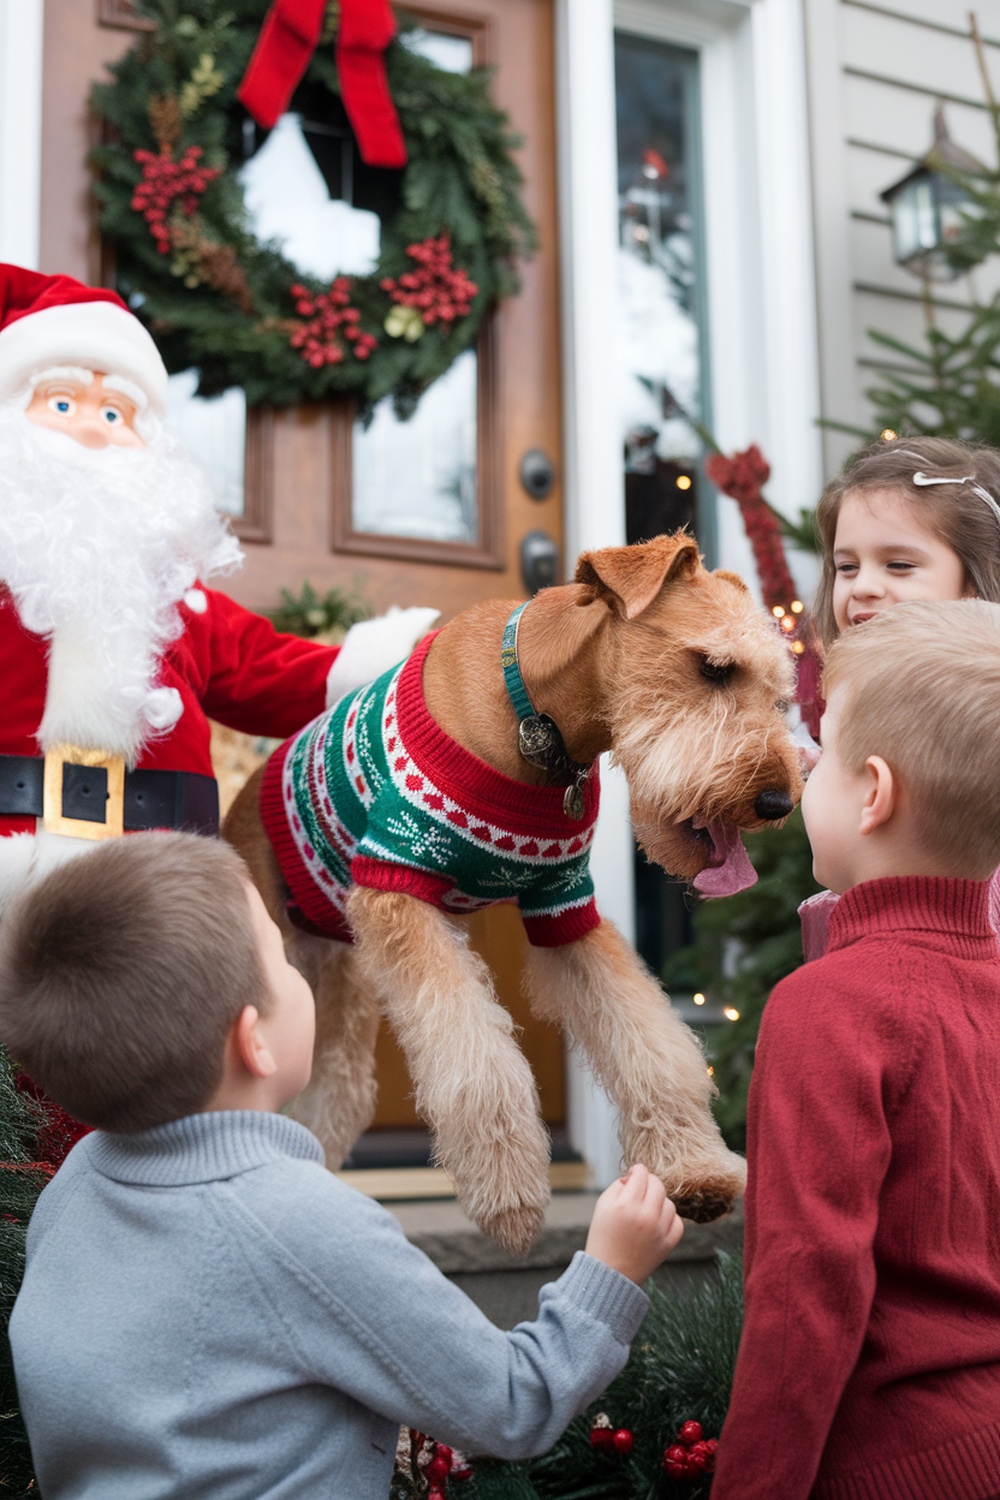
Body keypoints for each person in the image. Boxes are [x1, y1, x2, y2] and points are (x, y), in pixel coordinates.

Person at [1, 831, 684, 1500]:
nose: (306, 973)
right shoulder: (298, 1224)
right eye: (283, 959)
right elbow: (510, 1403)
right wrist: (609, 1270)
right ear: (253, 1042)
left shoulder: (77, 1185)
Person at [0, 262, 434, 907]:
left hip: (164, 882)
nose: (93, 428)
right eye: (62, 404)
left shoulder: (178, 605)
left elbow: (268, 670)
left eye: (116, 412)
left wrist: (402, 668)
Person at [711, 598, 1000, 1500]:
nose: (801, 763)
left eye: (824, 751)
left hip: (890, 1464)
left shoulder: (825, 1007)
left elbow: (804, 1294)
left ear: (873, 793)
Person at [800, 432, 1000, 960]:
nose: (862, 586)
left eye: (899, 565)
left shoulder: (973, 703)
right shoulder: (854, 685)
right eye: (847, 566)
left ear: (973, 590)